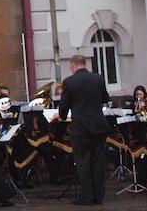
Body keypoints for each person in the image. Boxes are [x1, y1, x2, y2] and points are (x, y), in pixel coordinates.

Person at [56, 54, 110, 206]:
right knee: (98, 161)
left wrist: (60, 114)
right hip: (98, 125)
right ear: (84, 64)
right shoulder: (98, 78)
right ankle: (98, 196)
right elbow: (105, 98)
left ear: (73, 65)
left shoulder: (69, 82)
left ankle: (87, 196)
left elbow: (64, 108)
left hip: (80, 128)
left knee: (83, 162)